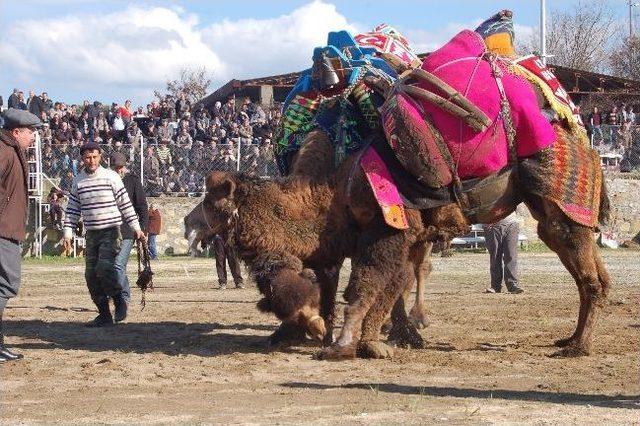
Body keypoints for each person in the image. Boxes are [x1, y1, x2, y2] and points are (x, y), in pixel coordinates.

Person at [63, 142, 145, 327]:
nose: (91, 161)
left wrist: (137, 228)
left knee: (105, 268)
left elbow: (125, 204)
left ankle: (119, 301)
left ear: (100, 156)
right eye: (87, 157)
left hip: (111, 231)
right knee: (90, 275)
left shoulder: (111, 177)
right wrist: (68, 233)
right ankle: (104, 315)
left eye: (94, 157)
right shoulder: (78, 180)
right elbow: (73, 209)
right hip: (91, 234)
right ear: (82, 159)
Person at [0, 109, 42, 361]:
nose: (34, 136)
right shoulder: (5, 151)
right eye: (31, 131)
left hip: (8, 228)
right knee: (5, 284)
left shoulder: (12, 150)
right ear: (16, 132)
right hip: (3, 230)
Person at [111, 153, 148, 309]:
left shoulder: (132, 181)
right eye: (116, 167)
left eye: (121, 167)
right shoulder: (105, 180)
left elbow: (142, 206)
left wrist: (142, 229)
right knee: (114, 266)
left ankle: (124, 297)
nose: (119, 170)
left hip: (127, 230)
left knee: (118, 264)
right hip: (109, 230)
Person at [482, 212, 524, 294]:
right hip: (492, 226)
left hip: (512, 224)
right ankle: (495, 286)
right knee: (495, 257)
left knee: (511, 256)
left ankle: (512, 285)